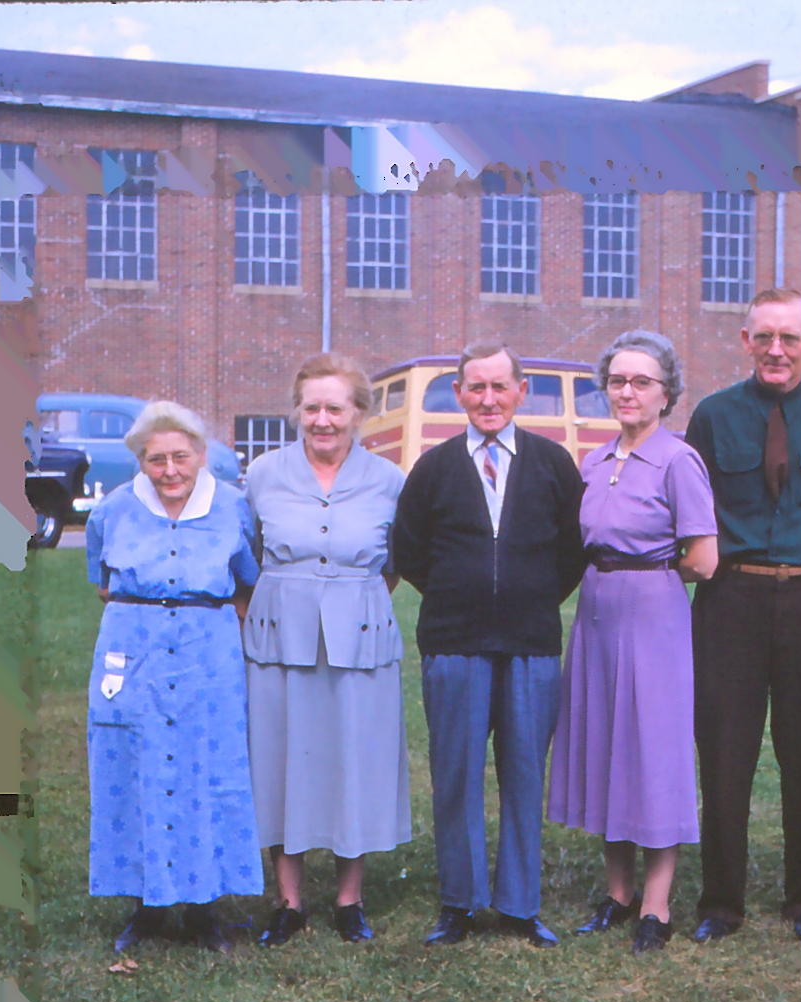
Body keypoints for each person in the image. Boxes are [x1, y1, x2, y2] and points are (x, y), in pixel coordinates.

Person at [392, 342, 586, 948]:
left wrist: (530, 596)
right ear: (459, 394)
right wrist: (460, 594)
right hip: (455, 641)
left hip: (530, 642)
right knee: (456, 772)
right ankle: (460, 901)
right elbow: (410, 549)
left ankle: (521, 904)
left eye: (500, 387)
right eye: (476, 388)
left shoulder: (553, 462)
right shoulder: (434, 466)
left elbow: (574, 552)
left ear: (522, 391)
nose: (488, 399)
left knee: (525, 772)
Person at [683, 287, 801, 947]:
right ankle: (721, 902)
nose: (776, 350)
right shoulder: (712, 416)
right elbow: (696, 507)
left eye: (789, 338)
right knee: (725, 754)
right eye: (764, 337)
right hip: (732, 598)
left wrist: (800, 563)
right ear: (746, 341)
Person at [548, 330, 718, 955]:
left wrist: (651, 578)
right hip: (595, 612)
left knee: (652, 746)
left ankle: (656, 903)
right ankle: (617, 892)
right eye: (618, 380)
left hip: (654, 613)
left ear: (666, 392)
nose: (627, 391)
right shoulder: (594, 461)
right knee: (603, 742)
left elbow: (704, 558)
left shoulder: (679, 460)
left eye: (642, 381)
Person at [243, 355, 409, 947]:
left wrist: (346, 601)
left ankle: (348, 900)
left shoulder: (389, 480)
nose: (321, 420)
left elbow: (395, 565)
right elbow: (246, 555)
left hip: (360, 634)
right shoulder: (262, 474)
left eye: (334, 407)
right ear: (296, 411)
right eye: (310, 406)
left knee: (354, 760)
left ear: (358, 413)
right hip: (277, 636)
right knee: (279, 757)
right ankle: (288, 902)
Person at [85, 400, 262, 953]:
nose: (169, 471)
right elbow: (102, 580)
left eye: (180, 457)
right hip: (132, 649)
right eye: (155, 459)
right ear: (141, 461)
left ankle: (204, 906)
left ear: (202, 455)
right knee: (133, 765)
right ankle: (147, 906)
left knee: (207, 767)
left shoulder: (233, 508)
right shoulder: (112, 511)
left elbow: (246, 580)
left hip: (206, 650)